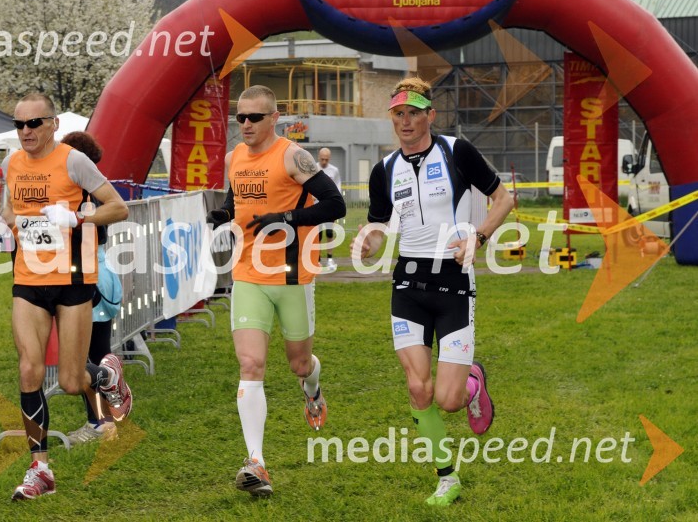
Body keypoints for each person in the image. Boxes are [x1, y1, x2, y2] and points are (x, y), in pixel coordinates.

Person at [351, 77, 514, 507]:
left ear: (430, 115)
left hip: (454, 281)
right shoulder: (384, 170)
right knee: (418, 389)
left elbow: (504, 199)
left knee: (448, 399)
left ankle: (472, 385)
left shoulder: (456, 151)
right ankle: (447, 477)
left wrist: (478, 238)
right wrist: (369, 241)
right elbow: (379, 226)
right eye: (398, 114)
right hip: (407, 284)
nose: (405, 121)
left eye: (413, 113)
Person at [0, 93, 131, 500]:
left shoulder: (73, 161)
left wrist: (78, 216)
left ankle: (103, 376)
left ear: (53, 125)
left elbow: (119, 208)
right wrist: (2, 221)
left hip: (73, 279)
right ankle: (40, 469)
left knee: (68, 380)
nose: (25, 132)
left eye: (34, 124)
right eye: (19, 125)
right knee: (29, 369)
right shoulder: (13, 163)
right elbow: (12, 211)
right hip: (28, 277)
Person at [206, 85, 346, 497]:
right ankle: (257, 462)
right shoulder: (234, 158)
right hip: (248, 274)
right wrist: (224, 213)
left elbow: (335, 205)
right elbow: (238, 201)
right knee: (250, 364)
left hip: (291, 276)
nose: (245, 125)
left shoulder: (292, 156)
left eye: (255, 117)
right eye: (240, 118)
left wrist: (284, 217)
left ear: (274, 117)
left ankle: (313, 389)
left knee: (300, 365)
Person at [60, 131, 123, 445]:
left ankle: (99, 421)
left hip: (87, 274)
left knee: (84, 356)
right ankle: (104, 421)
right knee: (99, 351)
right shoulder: (94, 190)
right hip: (97, 271)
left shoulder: (82, 194)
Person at [316, 147, 342, 271]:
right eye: (322, 159)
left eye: (326, 159)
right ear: (318, 157)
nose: (324, 162)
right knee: (318, 235)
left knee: (329, 233)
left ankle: (330, 259)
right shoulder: (314, 168)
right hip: (317, 206)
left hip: (329, 206)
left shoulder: (334, 170)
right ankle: (318, 260)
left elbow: (338, 187)